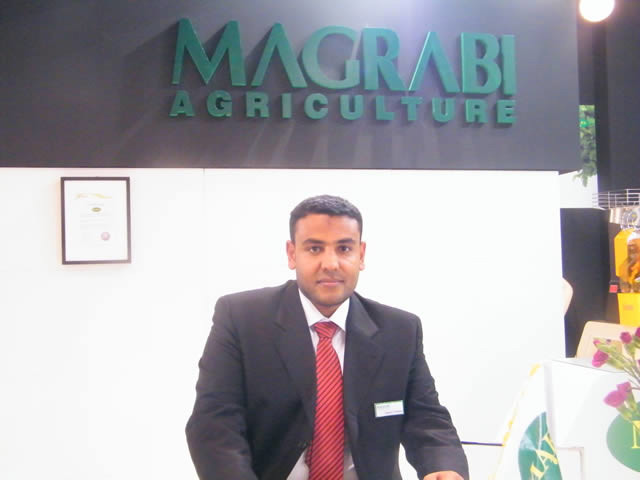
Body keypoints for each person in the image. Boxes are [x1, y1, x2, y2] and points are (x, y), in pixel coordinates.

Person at [186, 195, 469, 480]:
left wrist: (443, 466)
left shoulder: (400, 330)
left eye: (344, 248)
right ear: (292, 254)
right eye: (314, 249)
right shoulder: (242, 318)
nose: (331, 263)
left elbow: (426, 418)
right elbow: (215, 424)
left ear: (361, 255)